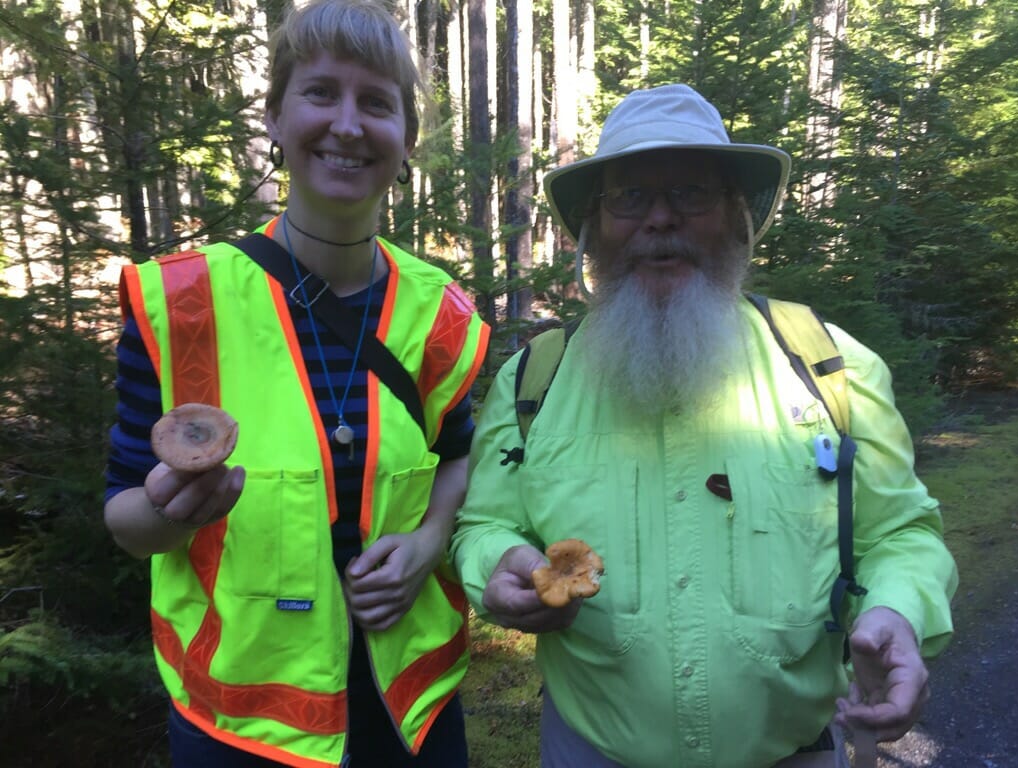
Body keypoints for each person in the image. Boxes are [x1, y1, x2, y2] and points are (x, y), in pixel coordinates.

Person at [449, 84, 958, 768]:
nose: (662, 219)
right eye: (629, 197)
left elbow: (902, 532)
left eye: (693, 193)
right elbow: (484, 524)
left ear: (739, 216)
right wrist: (501, 566)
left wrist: (898, 611)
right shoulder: (532, 384)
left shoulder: (836, 371)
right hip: (589, 754)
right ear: (593, 227)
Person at [103, 1, 489, 766]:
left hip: (408, 708)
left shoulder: (441, 315)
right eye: (321, 93)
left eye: (376, 103)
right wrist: (168, 514)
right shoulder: (184, 303)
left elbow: (457, 454)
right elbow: (125, 518)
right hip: (240, 723)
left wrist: (428, 542)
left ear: (407, 140)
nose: (348, 124)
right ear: (275, 117)